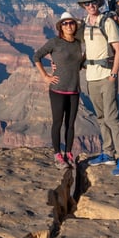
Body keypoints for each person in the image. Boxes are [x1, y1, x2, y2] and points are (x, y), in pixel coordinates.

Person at [77, 0, 119, 176]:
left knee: (111, 118)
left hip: (107, 76)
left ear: (98, 3)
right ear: (84, 6)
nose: (91, 5)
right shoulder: (84, 23)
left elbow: (118, 50)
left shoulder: (107, 22)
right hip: (91, 77)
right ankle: (108, 153)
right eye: (87, 3)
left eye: (93, 2)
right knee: (100, 118)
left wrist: (114, 74)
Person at [33, 12, 82, 168]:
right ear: (60, 26)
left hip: (74, 89)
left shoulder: (78, 43)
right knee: (58, 122)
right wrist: (46, 76)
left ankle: (68, 153)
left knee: (71, 124)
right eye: (65, 23)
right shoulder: (55, 42)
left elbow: (80, 63)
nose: (69, 26)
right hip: (58, 90)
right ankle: (57, 154)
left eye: (71, 23)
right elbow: (37, 56)